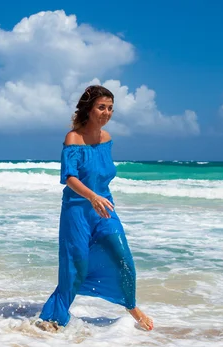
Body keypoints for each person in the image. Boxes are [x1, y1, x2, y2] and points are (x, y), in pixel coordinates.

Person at [37, 85, 153, 331]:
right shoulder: (73, 138)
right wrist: (92, 197)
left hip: (104, 210)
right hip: (77, 211)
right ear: (88, 109)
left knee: (123, 258)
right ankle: (53, 320)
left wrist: (99, 199)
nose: (107, 112)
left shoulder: (107, 139)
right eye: (102, 107)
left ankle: (131, 306)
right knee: (75, 265)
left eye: (110, 108)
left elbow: (102, 174)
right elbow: (69, 177)